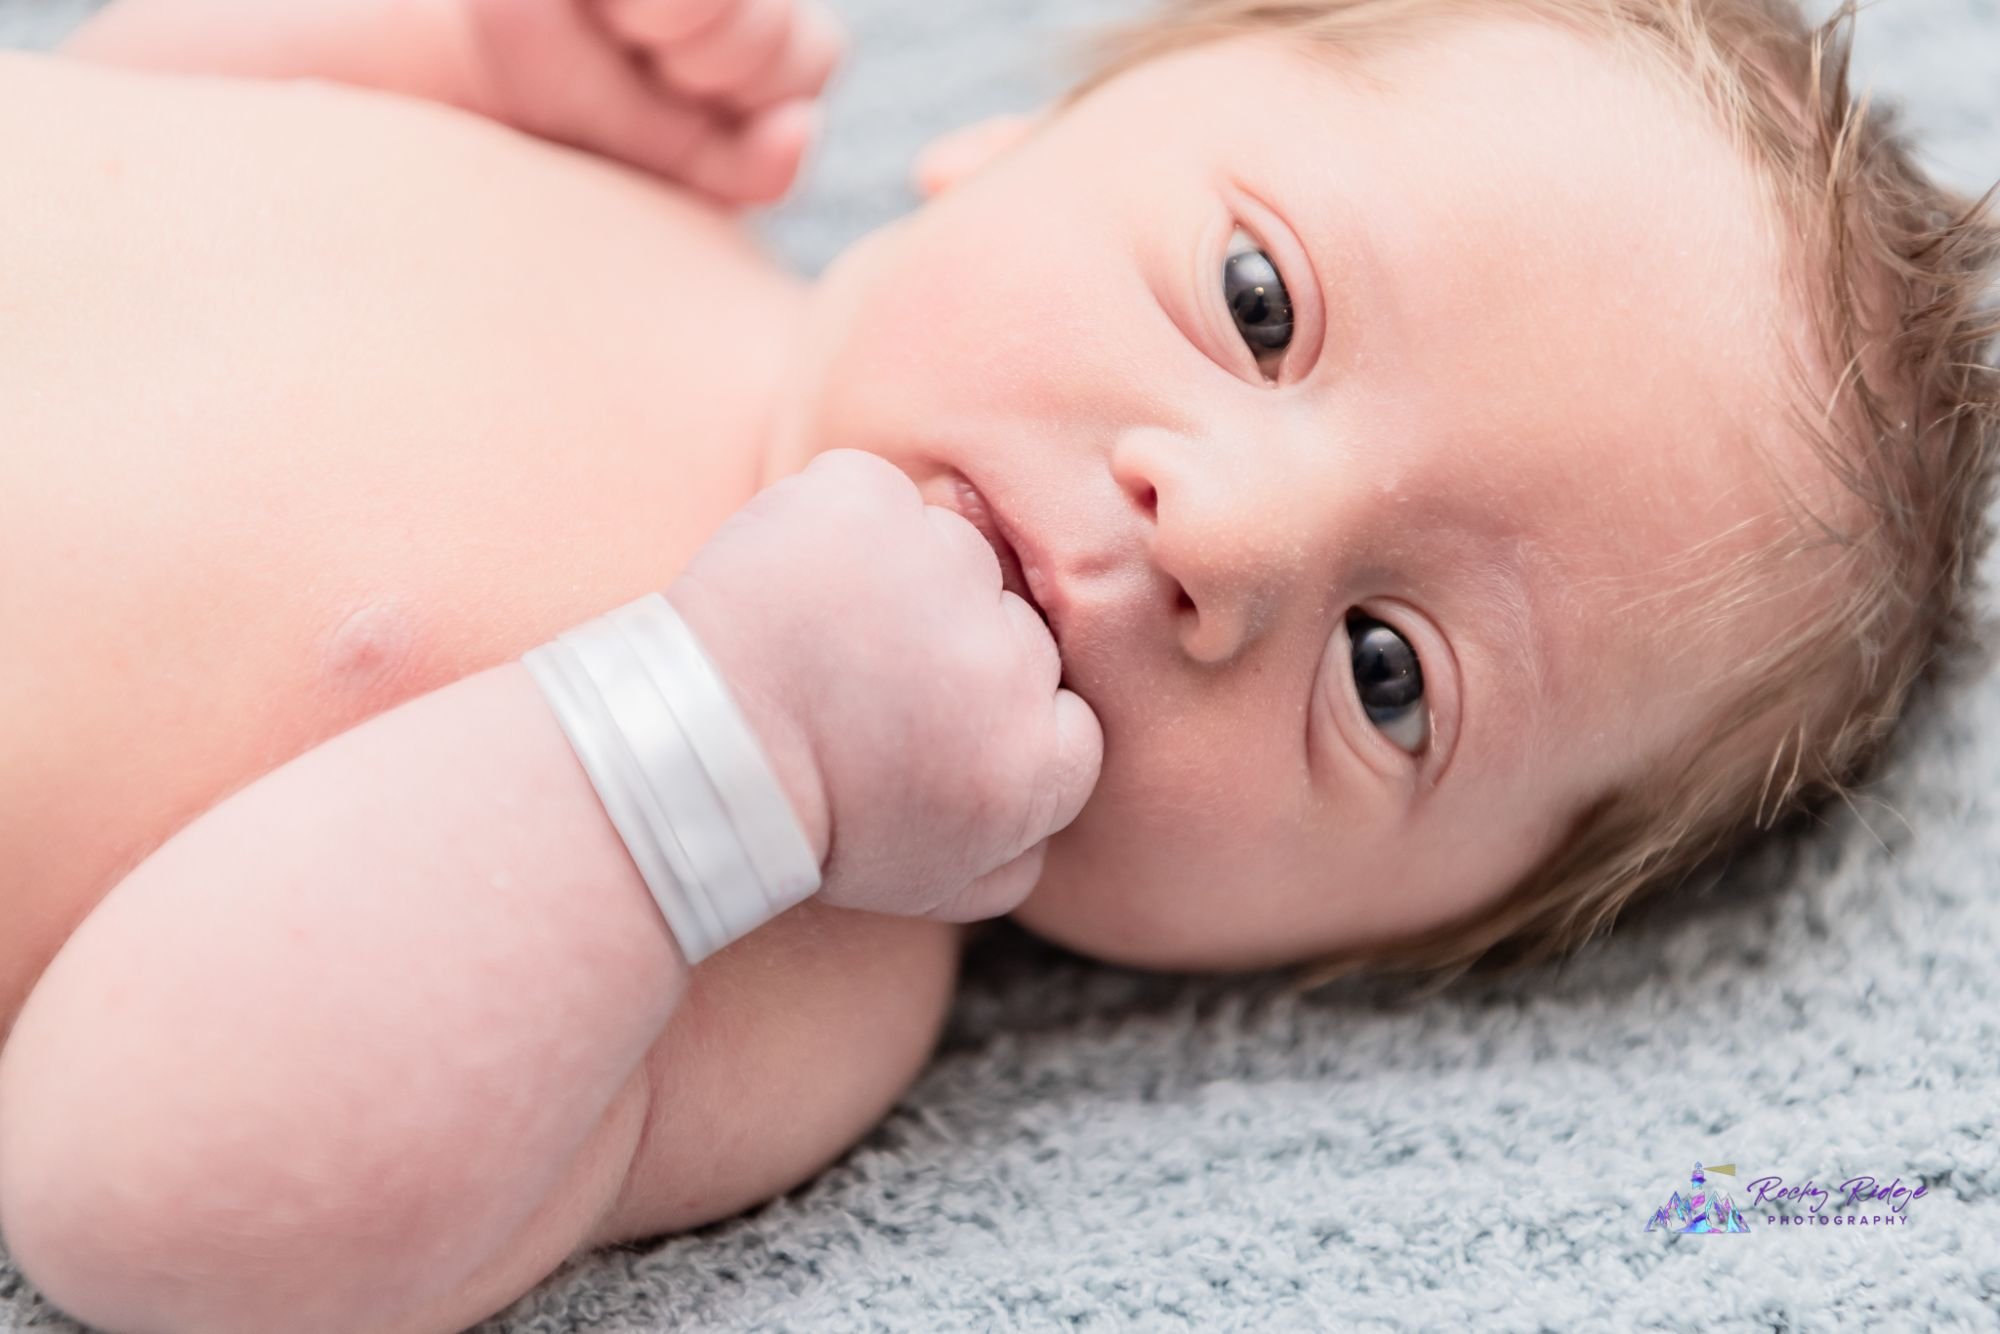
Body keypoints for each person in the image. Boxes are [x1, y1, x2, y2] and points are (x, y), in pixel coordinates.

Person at [0, 0, 1993, 1330]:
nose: (1227, 535)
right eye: (1258, 301)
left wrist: (714, 753)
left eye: (1389, 675)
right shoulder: (613, 187)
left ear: (1351, 947)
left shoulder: (792, 956)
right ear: (1027, 134)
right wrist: (450, 38)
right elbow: (132, 112)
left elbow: (138, 1195)